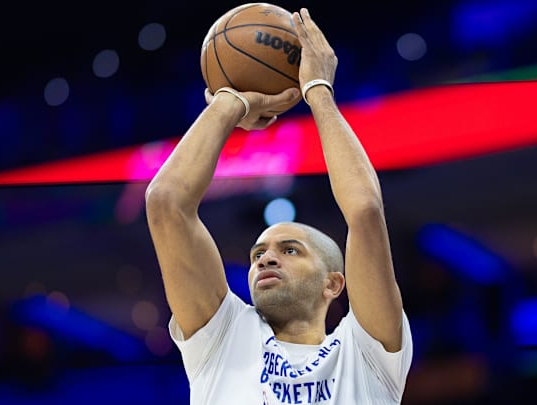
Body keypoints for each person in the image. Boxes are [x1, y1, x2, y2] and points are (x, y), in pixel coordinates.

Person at [145, 8, 412, 404]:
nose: (266, 260)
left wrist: (318, 90)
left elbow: (366, 211)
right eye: (258, 254)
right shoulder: (223, 337)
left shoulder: (366, 354)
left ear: (333, 284)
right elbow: (167, 203)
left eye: (290, 250)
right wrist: (229, 103)